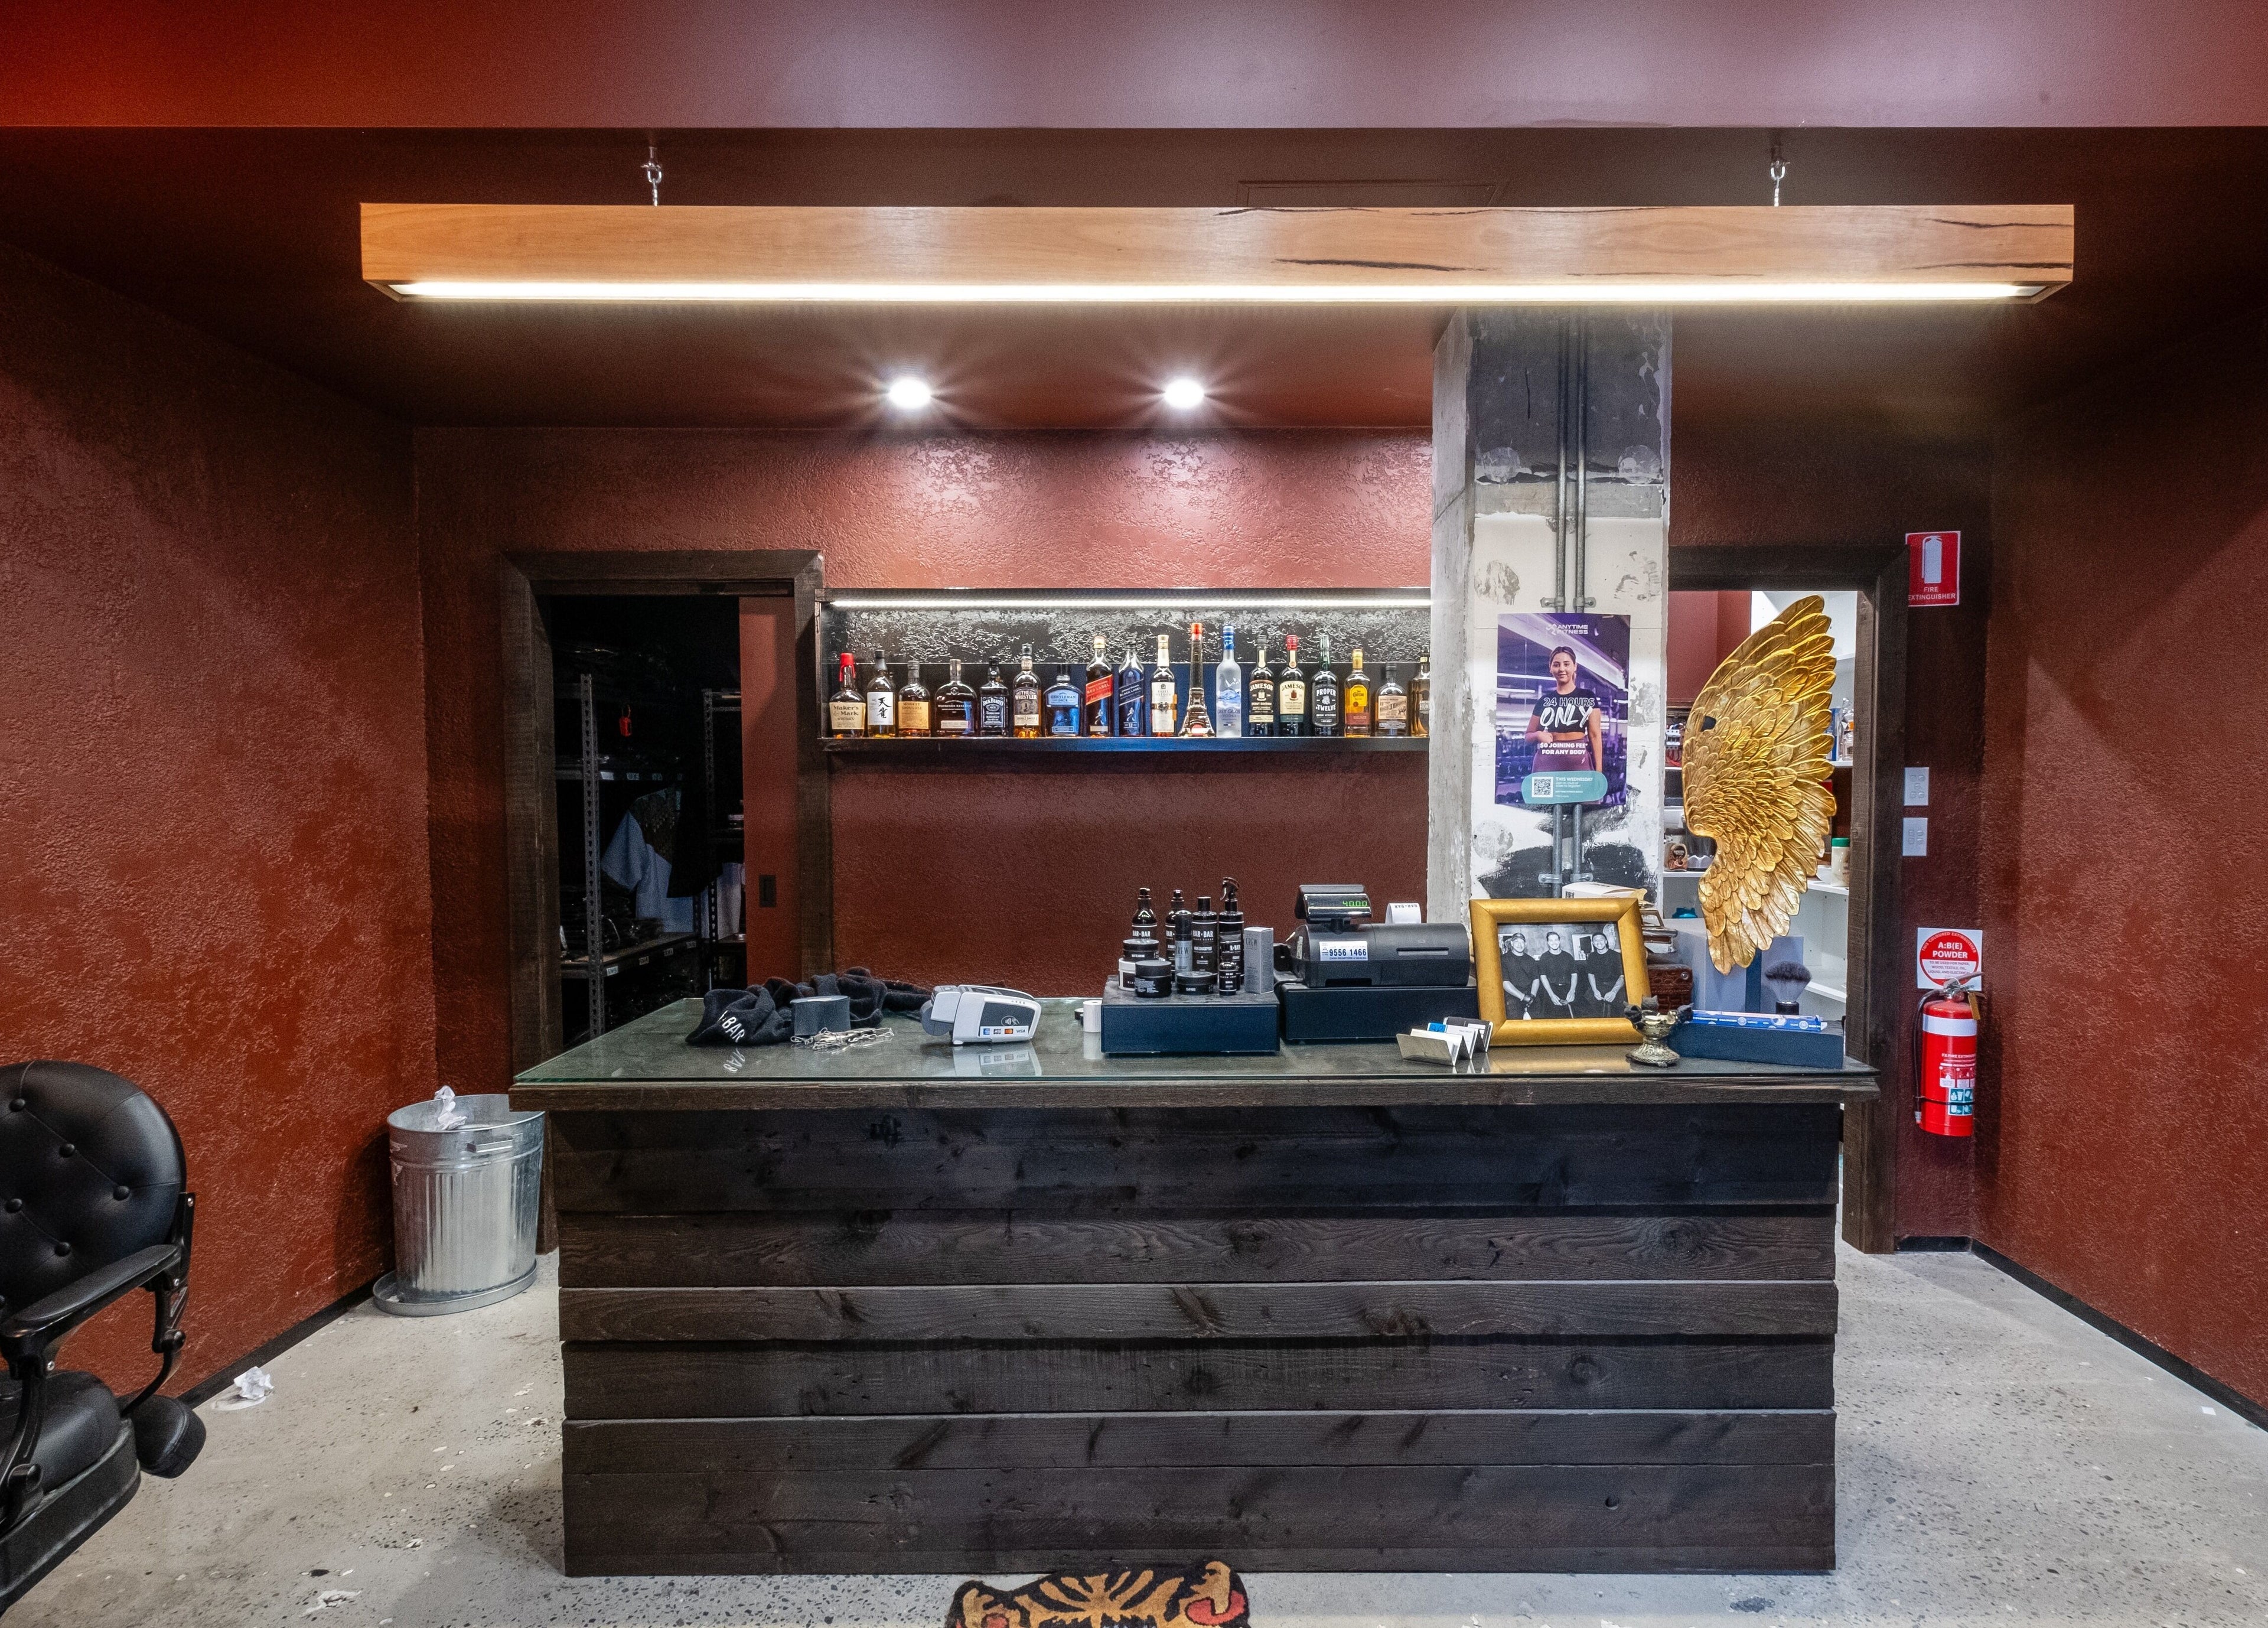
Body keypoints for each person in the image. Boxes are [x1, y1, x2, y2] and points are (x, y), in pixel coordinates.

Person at [1525, 645, 1605, 773]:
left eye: (1566, 664)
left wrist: (1599, 771)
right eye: (1556, 665)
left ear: (1575, 666)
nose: (1561, 669)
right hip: (1547, 762)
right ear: (1550, 668)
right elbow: (1528, 737)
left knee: (1586, 794)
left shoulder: (1588, 697)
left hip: (1579, 762)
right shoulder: (1544, 702)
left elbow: (1595, 736)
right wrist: (1538, 734)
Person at [1532, 928, 1579, 1018]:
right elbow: (1543, 977)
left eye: (1556, 940)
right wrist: (1552, 995)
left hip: (1567, 989)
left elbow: (1574, 974)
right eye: (1551, 940)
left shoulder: (1568, 956)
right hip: (1551, 989)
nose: (1554, 943)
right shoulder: (1544, 957)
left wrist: (1572, 991)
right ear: (1548, 943)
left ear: (1559, 941)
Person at [1582, 929, 1626, 1017]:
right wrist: (1595, 991)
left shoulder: (1616, 956)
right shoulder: (1591, 957)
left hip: (1615, 986)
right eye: (1596, 940)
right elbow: (1591, 974)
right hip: (1599, 986)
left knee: (1622, 1007)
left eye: (1601, 940)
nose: (1599, 942)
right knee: (1586, 1003)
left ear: (1606, 941)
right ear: (1593, 943)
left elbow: (1622, 976)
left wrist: (1613, 992)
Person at [1500, 930, 1539, 1020]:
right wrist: (1523, 997)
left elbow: (1536, 980)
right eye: (1516, 942)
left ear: (1526, 944)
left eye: (1522, 942)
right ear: (1512, 944)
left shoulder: (1531, 960)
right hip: (1512, 996)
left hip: (1530, 996)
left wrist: (1532, 996)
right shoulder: (1504, 959)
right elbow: (1505, 983)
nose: (1519, 945)